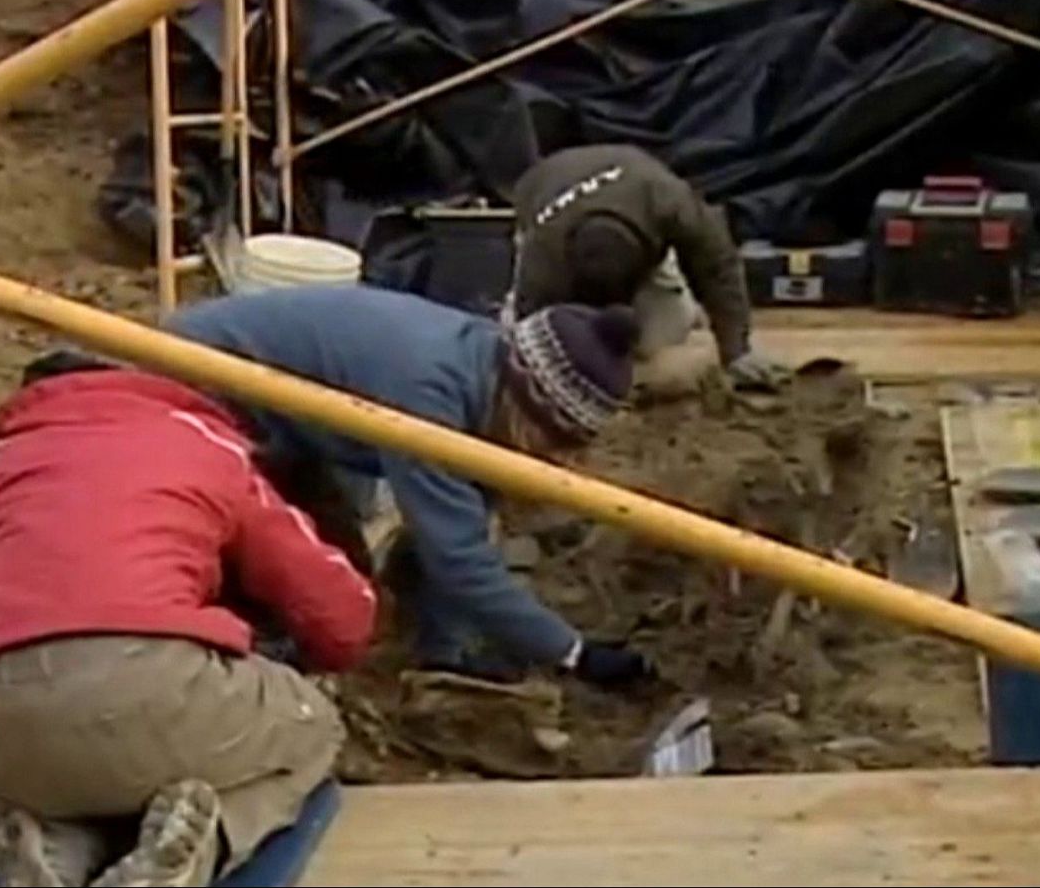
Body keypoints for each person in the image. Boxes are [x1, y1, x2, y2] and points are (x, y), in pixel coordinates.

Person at [0, 352, 377, 888]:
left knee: (71, 758)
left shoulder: (4, 458)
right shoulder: (205, 444)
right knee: (316, 726)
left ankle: (53, 840)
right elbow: (337, 609)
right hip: (144, 682)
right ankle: (202, 847)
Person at [168, 286, 654, 688]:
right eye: (555, 441)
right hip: (194, 386)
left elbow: (467, 517)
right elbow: (460, 557)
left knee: (343, 572)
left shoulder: (484, 366)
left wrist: (448, 653)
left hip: (280, 417)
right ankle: (248, 671)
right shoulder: (431, 396)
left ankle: (432, 646)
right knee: (308, 592)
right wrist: (575, 653)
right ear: (529, 406)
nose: (553, 460)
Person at [506, 143, 789, 389]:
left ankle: (670, 315)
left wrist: (736, 352)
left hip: (635, 194)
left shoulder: (671, 203)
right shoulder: (544, 257)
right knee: (537, 346)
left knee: (660, 339)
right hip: (543, 189)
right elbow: (526, 331)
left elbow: (718, 266)